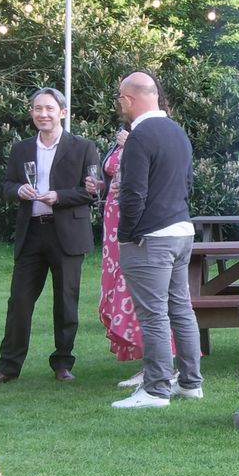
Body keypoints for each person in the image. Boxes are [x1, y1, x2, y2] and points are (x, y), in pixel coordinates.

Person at [0, 89, 100, 387]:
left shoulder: (83, 147)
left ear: (63, 112)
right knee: (19, 301)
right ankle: (7, 366)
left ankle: (63, 362)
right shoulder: (21, 149)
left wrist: (58, 196)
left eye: (49, 108)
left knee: (65, 301)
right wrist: (17, 190)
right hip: (32, 231)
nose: (42, 114)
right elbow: (7, 185)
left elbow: (92, 191)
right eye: (37, 109)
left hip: (67, 233)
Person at [112, 72, 204, 409]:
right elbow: (188, 183)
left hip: (151, 237)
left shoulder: (140, 136)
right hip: (181, 231)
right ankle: (191, 383)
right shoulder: (177, 132)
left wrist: (127, 235)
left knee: (153, 316)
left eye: (120, 98)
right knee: (181, 309)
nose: (120, 104)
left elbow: (134, 193)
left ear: (131, 98)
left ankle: (156, 390)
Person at [97, 126, 150, 380]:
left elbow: (151, 175)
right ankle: (145, 360)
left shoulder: (143, 136)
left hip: (131, 220)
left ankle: (155, 362)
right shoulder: (122, 137)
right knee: (118, 285)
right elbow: (116, 177)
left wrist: (130, 144)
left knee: (133, 287)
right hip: (112, 220)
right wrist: (99, 185)